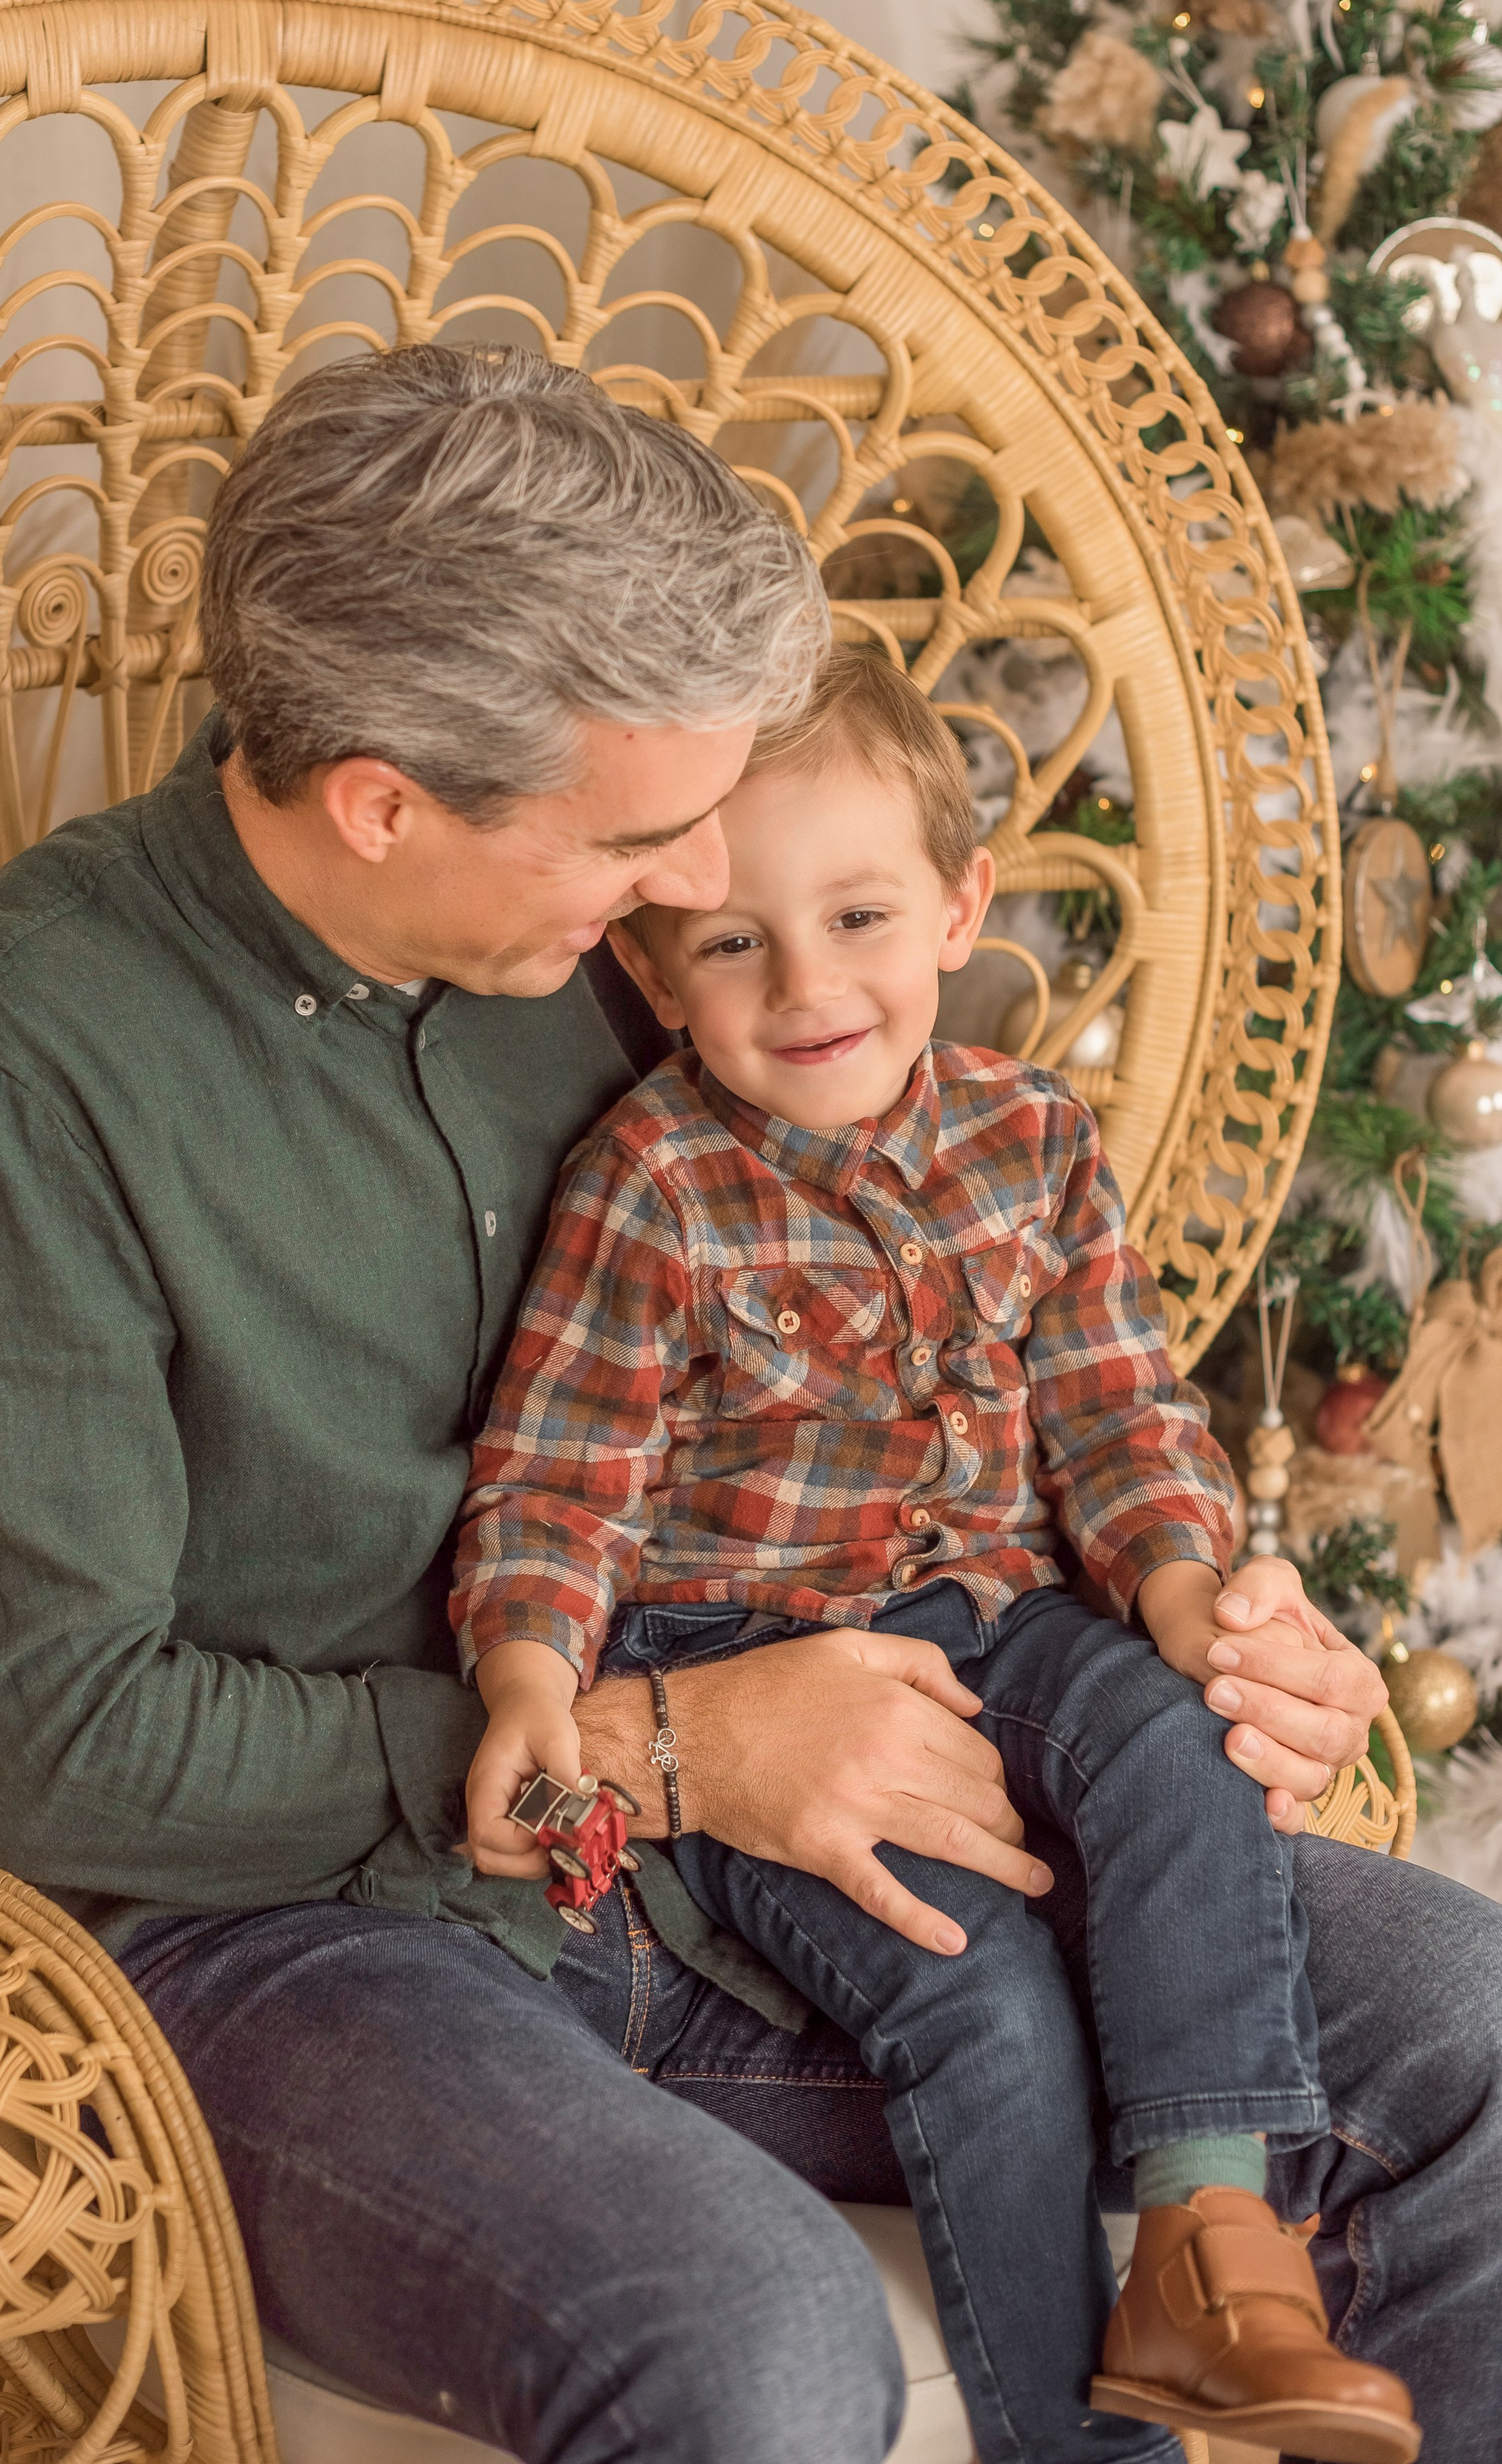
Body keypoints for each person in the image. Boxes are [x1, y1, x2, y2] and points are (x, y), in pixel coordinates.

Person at [0, 344, 1502, 2464]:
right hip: (319, 1943)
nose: (699, 894)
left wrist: (1202, 1610)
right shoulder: (19, 1067)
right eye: (641, 842)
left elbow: (951, 1324)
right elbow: (66, 1751)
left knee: (1467, 2024)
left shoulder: (623, 955)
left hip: (798, 1814)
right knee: (750, 2345)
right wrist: (665, 1747)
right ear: (385, 801)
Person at [451, 647, 1417, 2463]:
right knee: (973, 1992)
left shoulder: (1031, 1137)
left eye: (860, 915)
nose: (809, 987)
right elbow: (555, 1487)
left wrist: (1190, 1593)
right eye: (733, 943)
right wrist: (531, 1675)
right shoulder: (649, 1183)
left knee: (1170, 1729)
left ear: (958, 906)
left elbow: (1123, 1423)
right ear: (652, 974)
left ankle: (1213, 2247)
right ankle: (1082, 2448)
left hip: (999, 1619)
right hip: (745, 1658)